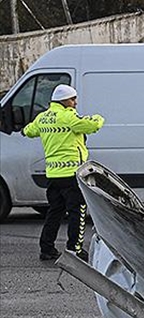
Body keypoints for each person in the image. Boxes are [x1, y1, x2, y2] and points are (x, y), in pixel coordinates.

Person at [22, 84, 104, 261]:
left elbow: (28, 131)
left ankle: (47, 248)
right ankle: (74, 249)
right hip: (71, 175)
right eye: (72, 99)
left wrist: (28, 130)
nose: (75, 102)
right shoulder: (68, 116)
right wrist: (99, 118)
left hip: (53, 175)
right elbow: (91, 125)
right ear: (64, 100)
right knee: (77, 211)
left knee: (55, 212)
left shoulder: (42, 118)